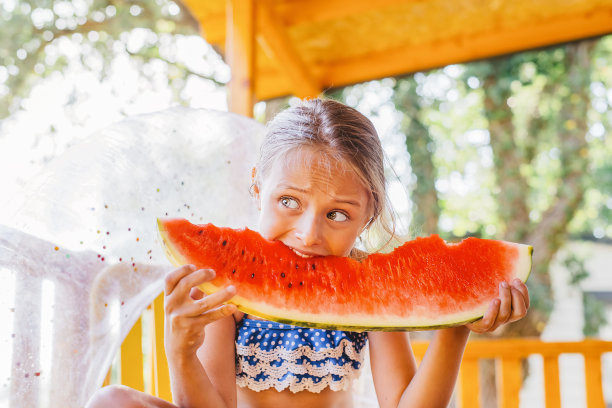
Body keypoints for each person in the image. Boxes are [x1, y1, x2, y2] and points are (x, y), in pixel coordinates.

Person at [86, 98, 529, 408]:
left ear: (369, 212)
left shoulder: (370, 288)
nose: (308, 234)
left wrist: (455, 324)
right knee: (111, 402)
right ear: (258, 186)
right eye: (289, 202)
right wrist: (180, 351)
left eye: (337, 214)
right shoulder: (224, 287)